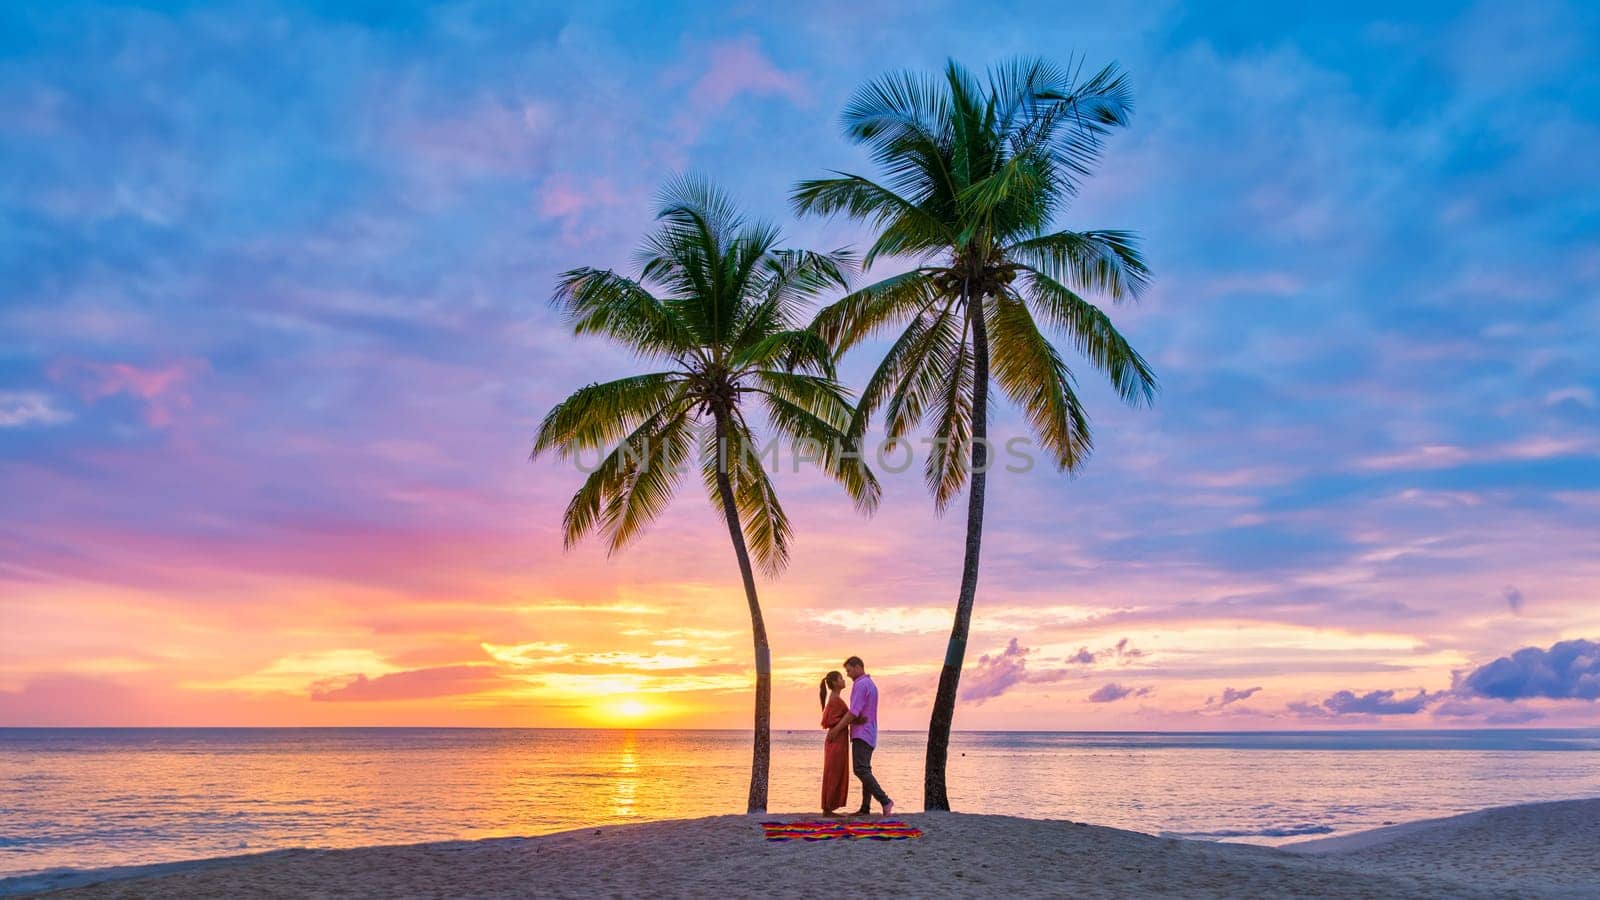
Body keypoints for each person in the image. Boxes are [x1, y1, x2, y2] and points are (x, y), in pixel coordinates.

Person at [828, 655, 893, 816]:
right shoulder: (869, 684)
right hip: (869, 733)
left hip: (862, 734)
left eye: (849, 670)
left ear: (858, 667)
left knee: (860, 770)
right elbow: (859, 714)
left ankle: (885, 801)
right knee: (866, 770)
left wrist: (836, 730)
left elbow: (853, 712)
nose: (848, 675)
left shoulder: (861, 684)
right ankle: (865, 808)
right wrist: (855, 721)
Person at [818, 671, 850, 814]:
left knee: (833, 771)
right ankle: (828, 808)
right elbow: (830, 721)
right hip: (836, 739)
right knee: (834, 772)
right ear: (836, 683)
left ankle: (828, 807)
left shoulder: (834, 698)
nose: (844, 680)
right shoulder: (836, 700)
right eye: (841, 678)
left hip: (837, 739)